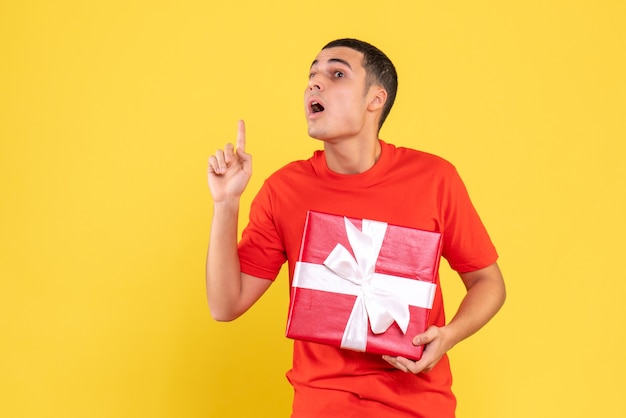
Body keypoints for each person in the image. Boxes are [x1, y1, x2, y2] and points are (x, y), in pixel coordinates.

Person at [206, 38, 506, 418]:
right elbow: (224, 305)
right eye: (311, 75)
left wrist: (448, 336)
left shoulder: (434, 179)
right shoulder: (284, 190)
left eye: (336, 73)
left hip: (418, 407)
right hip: (321, 406)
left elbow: (488, 282)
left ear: (375, 99)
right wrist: (225, 203)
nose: (315, 83)